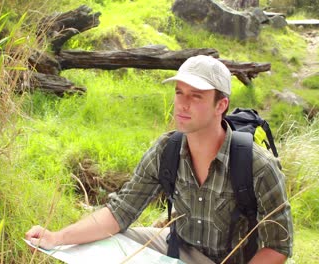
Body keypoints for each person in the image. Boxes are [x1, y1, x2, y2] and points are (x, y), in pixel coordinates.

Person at [25, 55, 293, 264]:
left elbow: (278, 245)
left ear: (220, 106)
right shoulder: (166, 150)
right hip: (176, 247)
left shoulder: (257, 165)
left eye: (196, 96)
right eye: (179, 93)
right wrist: (56, 237)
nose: (182, 104)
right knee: (95, 245)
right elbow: (120, 212)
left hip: (227, 260)